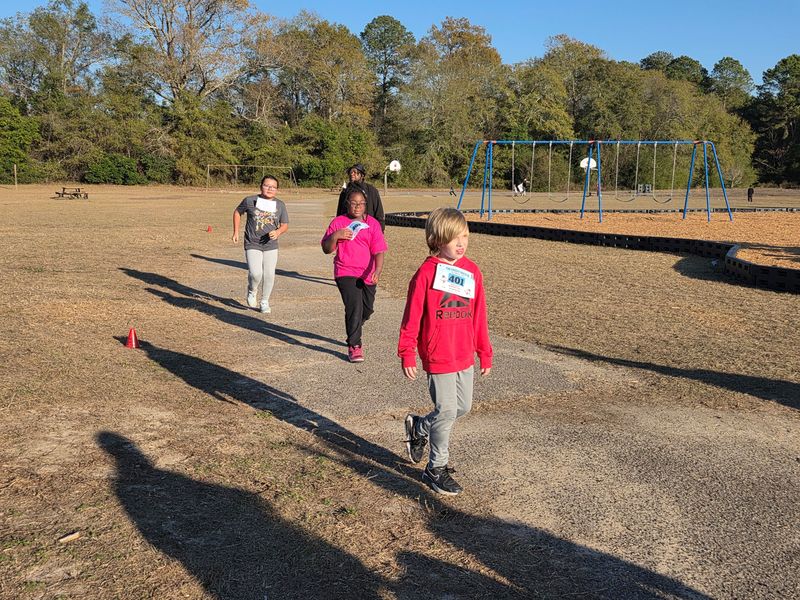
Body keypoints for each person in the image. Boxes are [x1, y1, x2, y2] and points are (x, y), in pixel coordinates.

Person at [398, 207, 492, 495]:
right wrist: (407, 351)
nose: (461, 243)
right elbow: (411, 316)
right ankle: (435, 468)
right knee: (448, 410)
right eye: (454, 239)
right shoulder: (426, 273)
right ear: (437, 240)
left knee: (462, 407)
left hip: (463, 352)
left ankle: (419, 428)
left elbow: (479, 314)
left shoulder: (472, 271)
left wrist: (484, 352)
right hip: (438, 353)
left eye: (465, 236)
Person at [322, 185, 388, 363]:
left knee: (367, 309)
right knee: (354, 307)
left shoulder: (372, 224)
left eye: (361, 203)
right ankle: (354, 345)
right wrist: (336, 236)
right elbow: (326, 249)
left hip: (368, 273)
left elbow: (379, 250)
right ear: (347, 204)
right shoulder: (338, 222)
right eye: (353, 203)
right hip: (345, 271)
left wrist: (378, 270)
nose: (357, 206)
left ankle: (356, 323)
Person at [232, 175, 289, 314]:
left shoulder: (280, 205)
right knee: (256, 273)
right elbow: (237, 212)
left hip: (270, 244)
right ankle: (252, 290)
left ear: (277, 190)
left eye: (273, 187)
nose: (270, 189)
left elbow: (285, 225)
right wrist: (236, 232)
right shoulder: (250, 200)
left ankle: (264, 301)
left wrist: (278, 232)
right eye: (267, 185)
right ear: (261, 186)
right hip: (252, 242)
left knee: (269, 274)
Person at [336, 163, 385, 232]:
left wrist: (380, 230)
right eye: (350, 172)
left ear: (362, 175)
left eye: (355, 172)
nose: (352, 174)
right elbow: (339, 213)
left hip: (368, 229)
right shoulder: (345, 192)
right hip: (348, 231)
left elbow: (379, 213)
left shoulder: (371, 190)